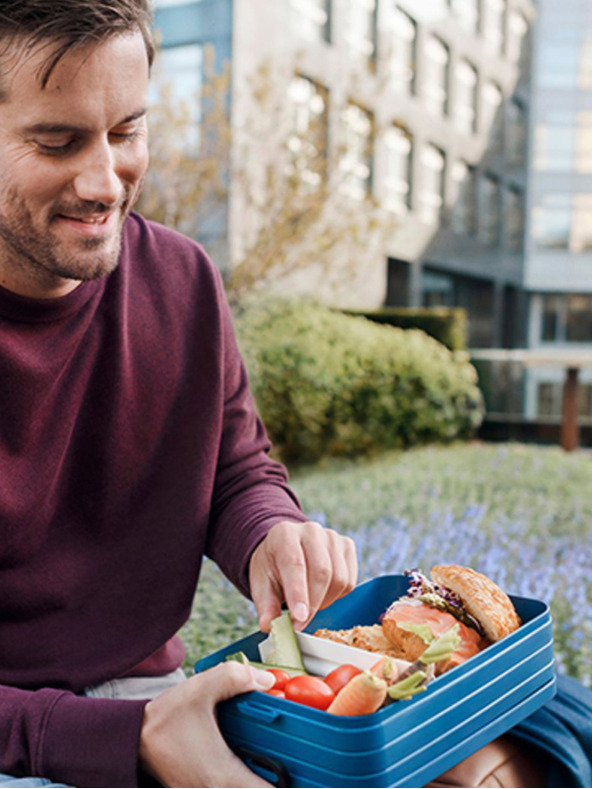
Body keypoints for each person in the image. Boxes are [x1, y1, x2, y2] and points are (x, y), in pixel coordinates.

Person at [0, 1, 358, 786]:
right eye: (56, 142)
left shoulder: (184, 281)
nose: (105, 182)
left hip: (150, 694)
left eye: (127, 131)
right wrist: (125, 737)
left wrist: (272, 533)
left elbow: (236, 469)